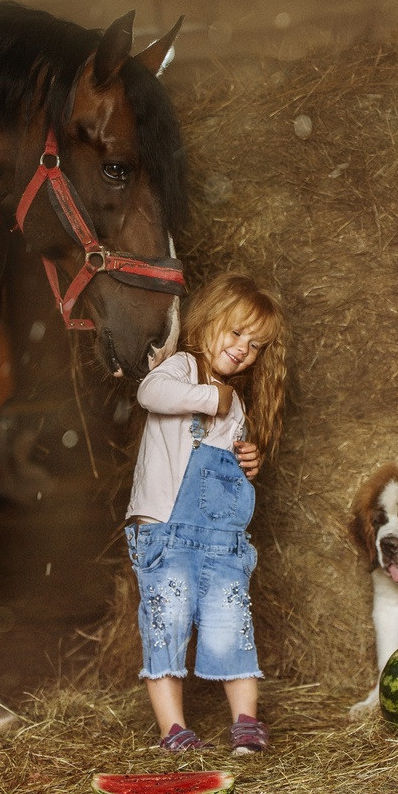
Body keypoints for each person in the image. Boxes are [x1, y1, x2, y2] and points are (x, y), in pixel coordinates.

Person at [125, 271, 287, 754]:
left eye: (255, 344)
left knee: (230, 623)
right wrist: (206, 396)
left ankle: (246, 722)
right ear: (208, 319)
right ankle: (173, 729)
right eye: (236, 332)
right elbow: (148, 394)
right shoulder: (180, 368)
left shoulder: (235, 401)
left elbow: (221, 463)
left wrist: (247, 462)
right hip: (164, 531)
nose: (242, 348)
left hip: (220, 540)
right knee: (166, 621)